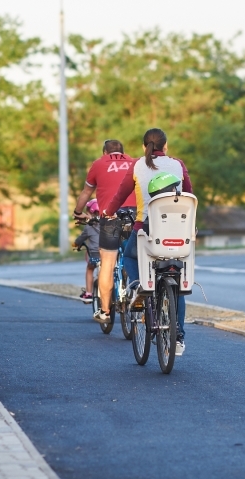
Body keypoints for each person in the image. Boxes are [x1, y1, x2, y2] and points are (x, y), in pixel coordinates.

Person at [104, 128, 192, 356]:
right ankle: (179, 337)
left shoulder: (137, 165)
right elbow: (189, 195)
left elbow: (121, 195)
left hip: (145, 229)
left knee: (130, 255)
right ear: (166, 145)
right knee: (177, 280)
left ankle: (136, 286)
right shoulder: (178, 165)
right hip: (177, 232)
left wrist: (108, 212)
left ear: (145, 147)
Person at [72, 140, 137, 323]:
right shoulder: (134, 162)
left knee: (107, 264)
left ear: (104, 152)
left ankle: (105, 312)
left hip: (110, 216)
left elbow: (86, 193)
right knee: (136, 255)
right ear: (123, 152)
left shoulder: (98, 164)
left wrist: (78, 212)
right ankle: (140, 296)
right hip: (133, 215)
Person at [73, 199, 100, 303]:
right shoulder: (107, 225)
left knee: (90, 269)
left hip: (94, 255)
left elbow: (80, 239)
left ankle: (88, 293)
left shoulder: (88, 227)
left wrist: (75, 244)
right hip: (108, 253)